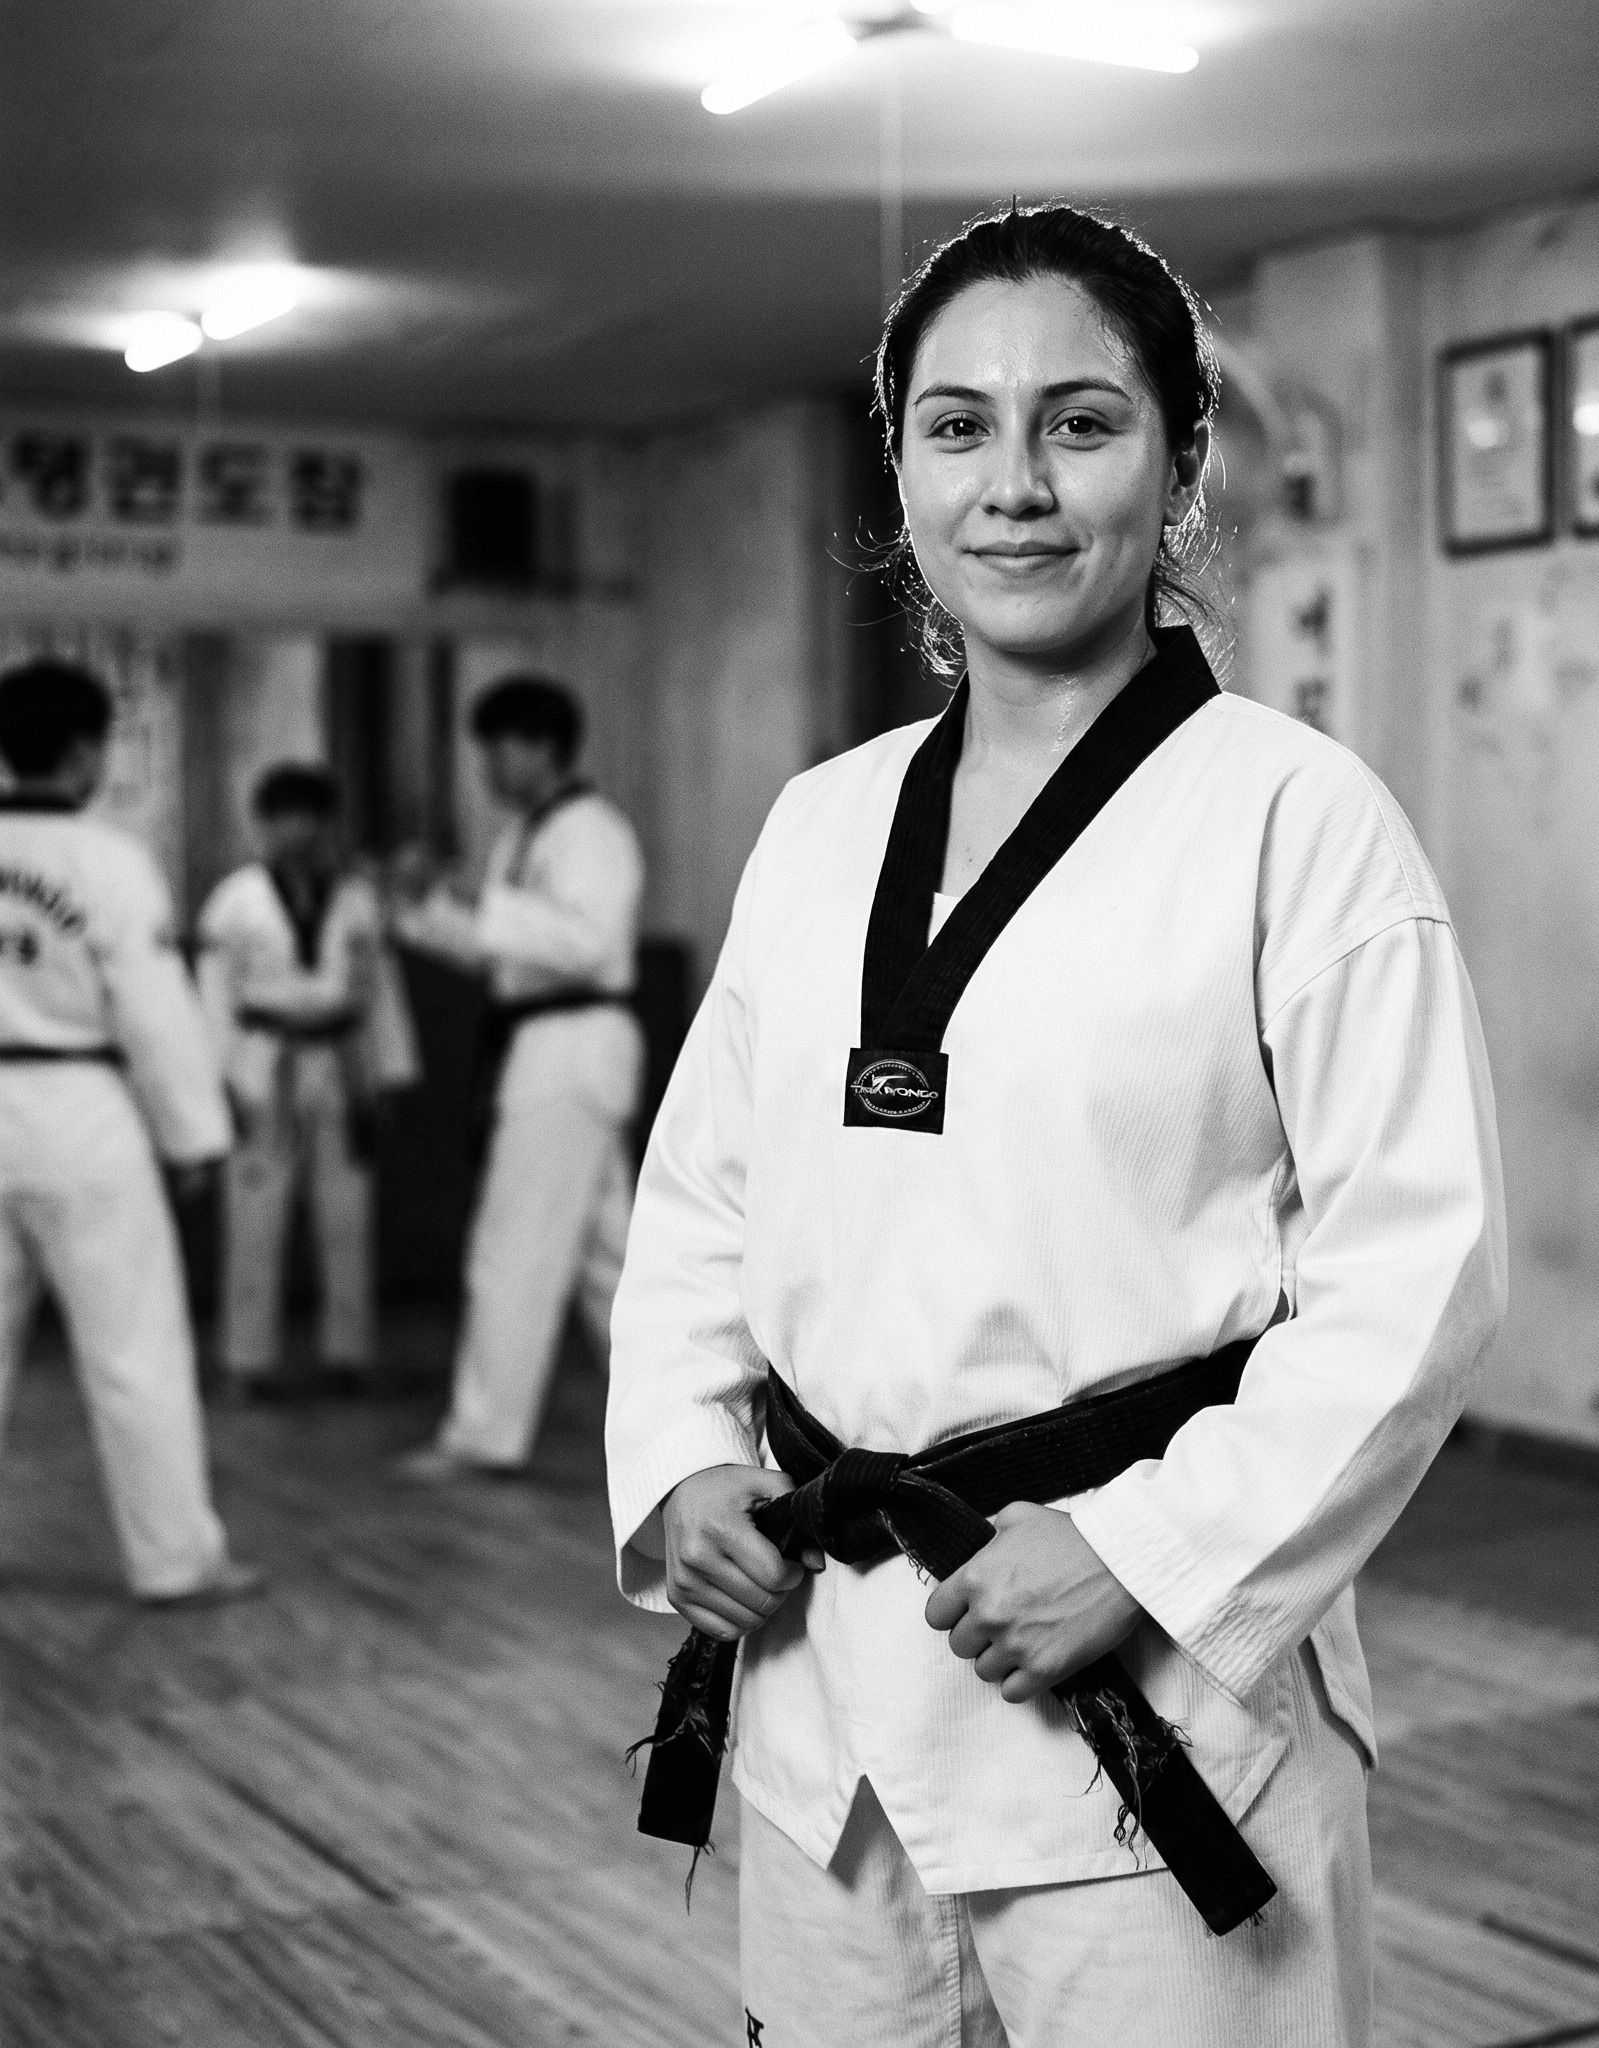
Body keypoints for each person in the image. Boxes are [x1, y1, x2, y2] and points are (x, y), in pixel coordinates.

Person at [605, 205, 1507, 2047]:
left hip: (1150, 1719)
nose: (1012, 485)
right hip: (826, 1710)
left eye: (1079, 424)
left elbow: (1416, 1277)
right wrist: (685, 1463)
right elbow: (702, 1200)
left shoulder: (1296, 820)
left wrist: (1145, 1554)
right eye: (958, 427)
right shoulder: (819, 823)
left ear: (1180, 465)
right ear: (901, 472)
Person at [0, 659, 260, 1606]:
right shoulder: (109, 862)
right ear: (85, 752)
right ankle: (174, 1559)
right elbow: (155, 1011)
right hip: (80, 1114)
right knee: (132, 1350)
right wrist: (194, 1138)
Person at [390, 677, 644, 1476]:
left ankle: (483, 1436)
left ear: (542, 746)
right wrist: (423, 911)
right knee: (613, 1264)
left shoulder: (591, 831)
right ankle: (696, 1424)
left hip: (571, 1042)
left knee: (515, 1247)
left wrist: (485, 900)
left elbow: (591, 945)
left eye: (498, 748)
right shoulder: (525, 835)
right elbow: (503, 953)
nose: (487, 767)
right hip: (545, 1042)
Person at [196, 763, 419, 1399]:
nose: (297, 831)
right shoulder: (235, 900)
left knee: (348, 1215)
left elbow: (382, 994)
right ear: (263, 824)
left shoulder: (357, 899)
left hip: (342, 1062)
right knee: (253, 1217)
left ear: (327, 824)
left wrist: (386, 1077)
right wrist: (217, 1081)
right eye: (284, 817)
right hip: (260, 1063)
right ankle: (247, 1362)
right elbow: (212, 997)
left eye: (310, 817)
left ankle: (350, 1354)